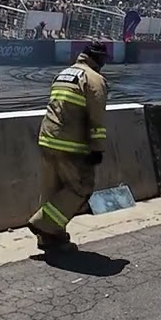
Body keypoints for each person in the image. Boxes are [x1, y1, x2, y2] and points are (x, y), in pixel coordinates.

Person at [28, 42, 110, 252]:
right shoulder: (95, 79)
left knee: (52, 190)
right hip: (70, 144)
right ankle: (42, 224)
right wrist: (97, 148)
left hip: (47, 138)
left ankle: (49, 239)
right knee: (81, 187)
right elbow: (96, 119)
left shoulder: (64, 73)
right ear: (98, 58)